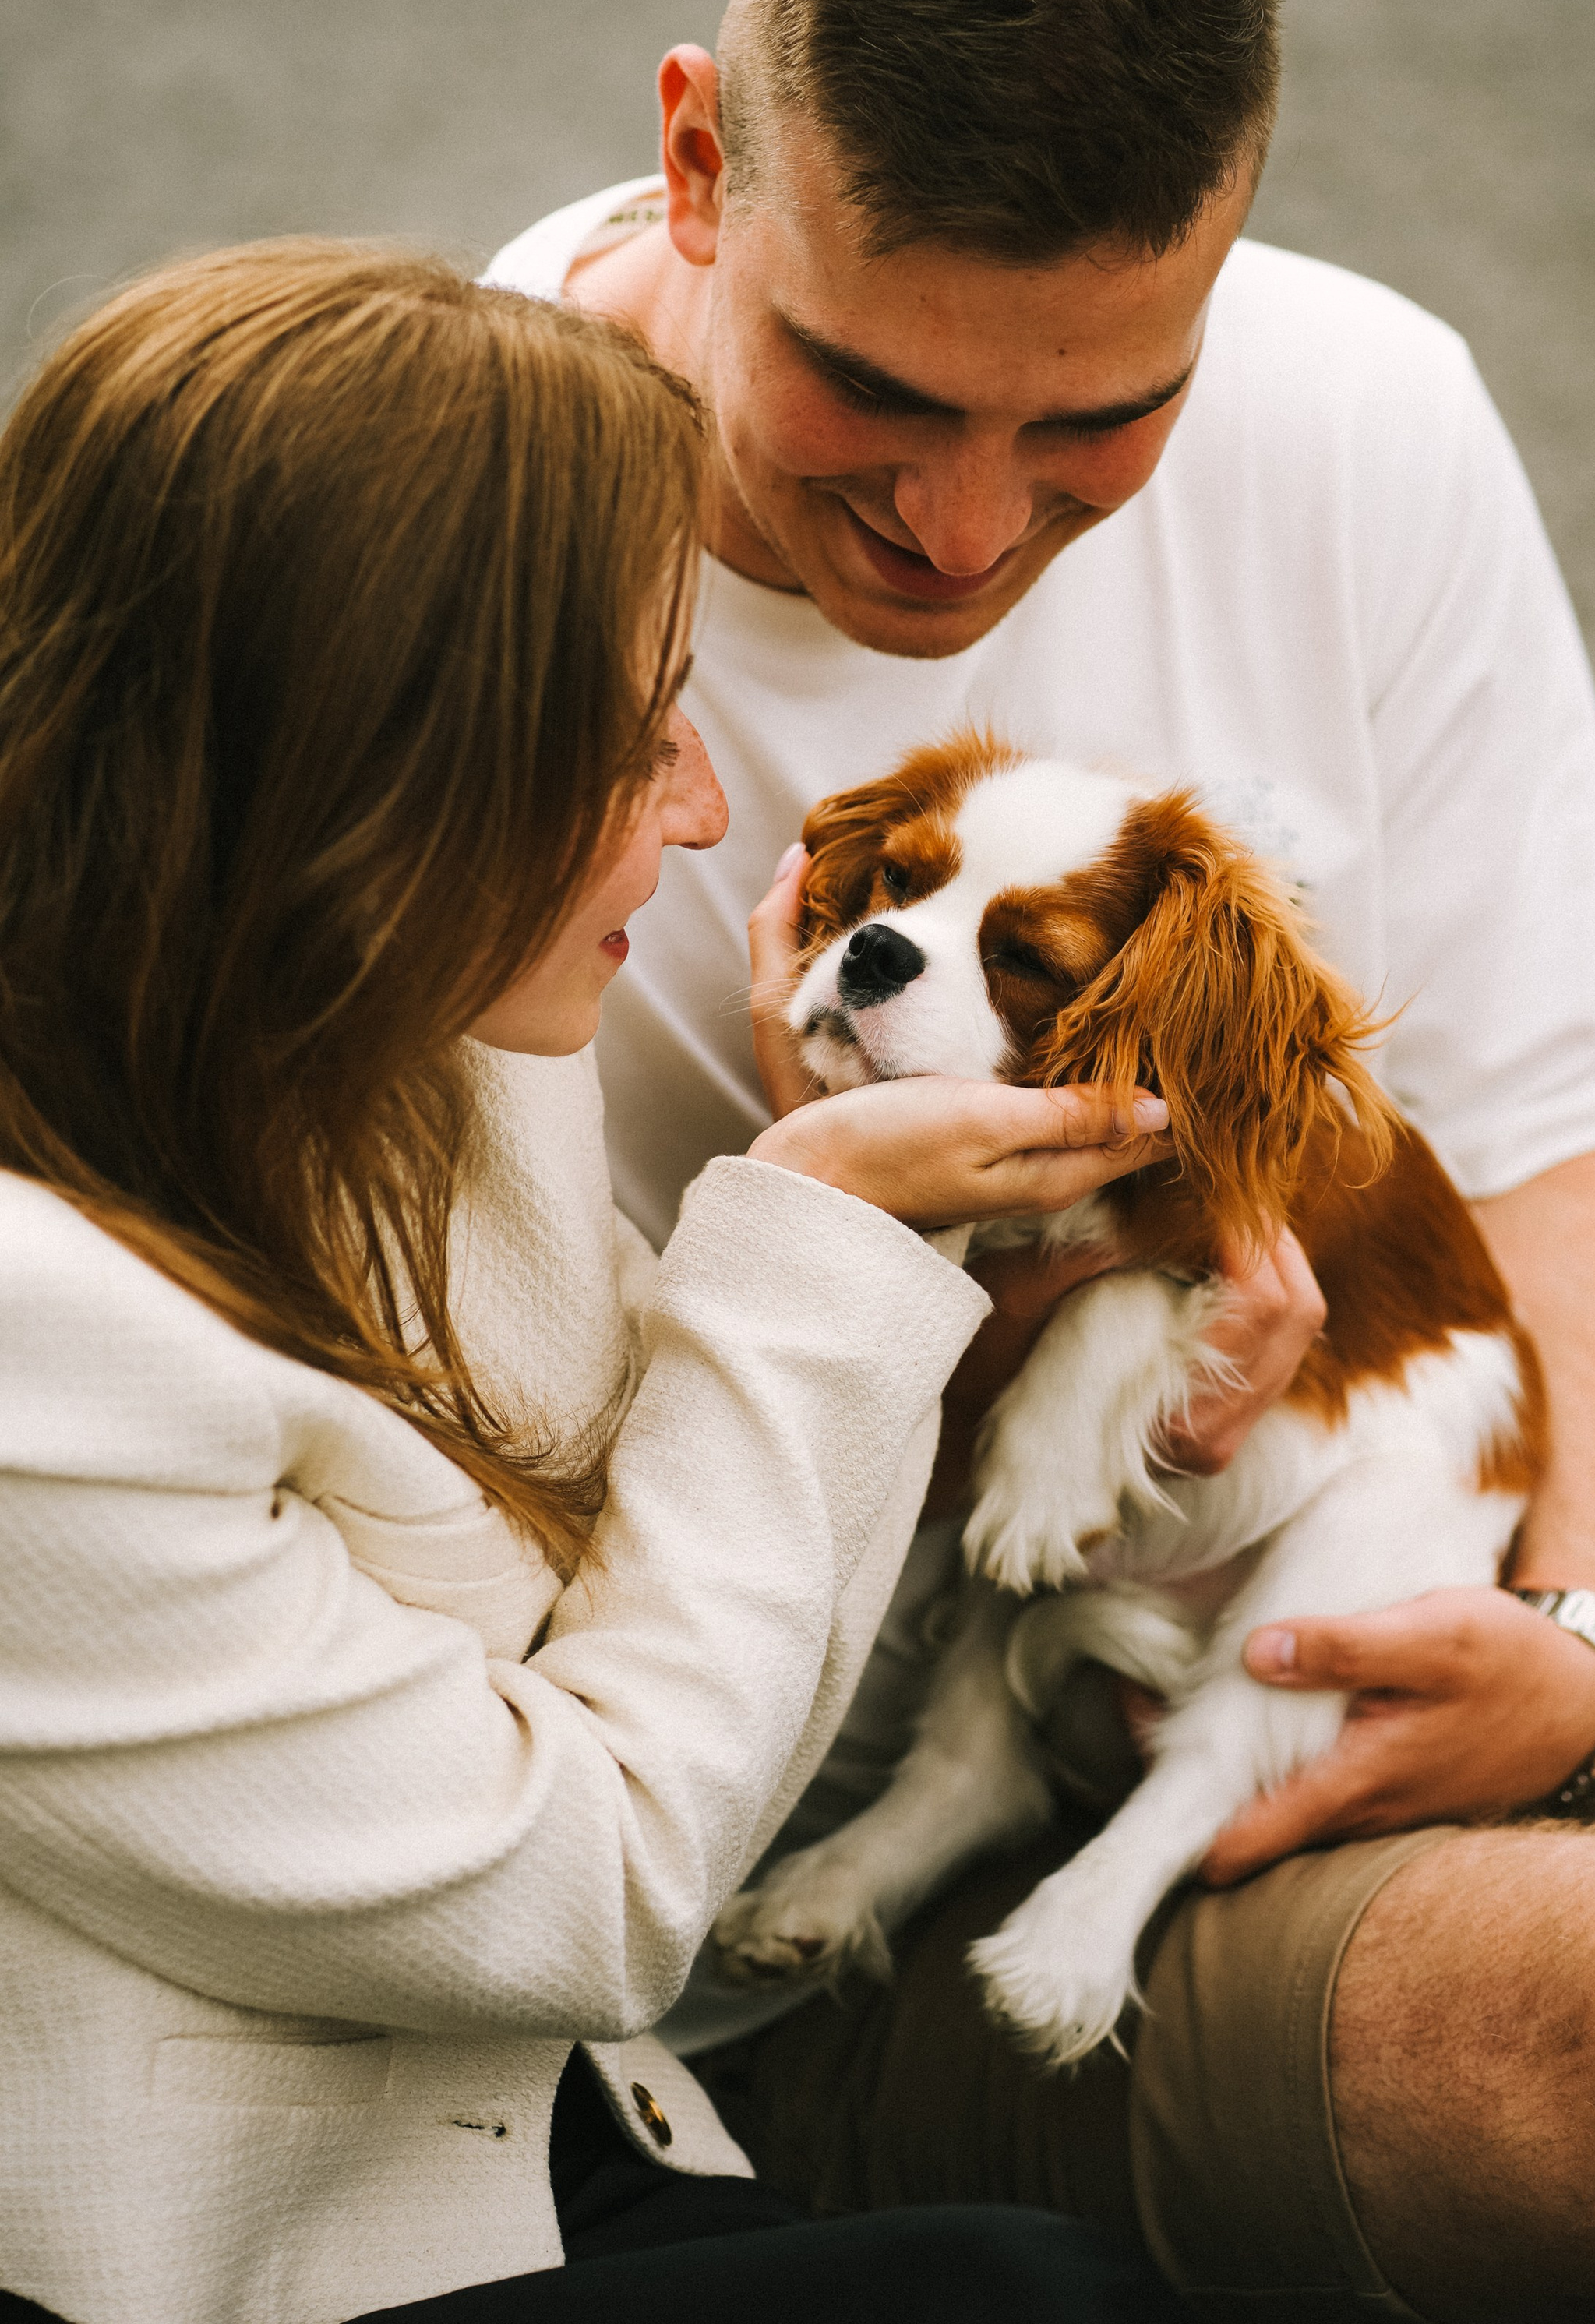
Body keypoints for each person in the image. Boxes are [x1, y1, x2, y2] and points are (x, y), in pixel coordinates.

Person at [485, 0, 1595, 2317]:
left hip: (1380, 1461)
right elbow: (452, 1622)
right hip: (815, 1845)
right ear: (701, 162)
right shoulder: (432, 565)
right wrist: (907, 1292)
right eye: (878, 389)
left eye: (1102, 419)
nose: (967, 525)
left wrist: (1579, 1639)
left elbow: (1541, 1118)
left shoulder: (1360, 402)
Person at [0, 242, 1192, 2324]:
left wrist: (918, 1237)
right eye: (641, 739)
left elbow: (672, 1605)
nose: (710, 811)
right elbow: (604, 1889)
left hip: (580, 2131)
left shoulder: (434, 1034)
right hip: (270, 2260)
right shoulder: (46, 1352)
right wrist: (831, 1226)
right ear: (371, 780)